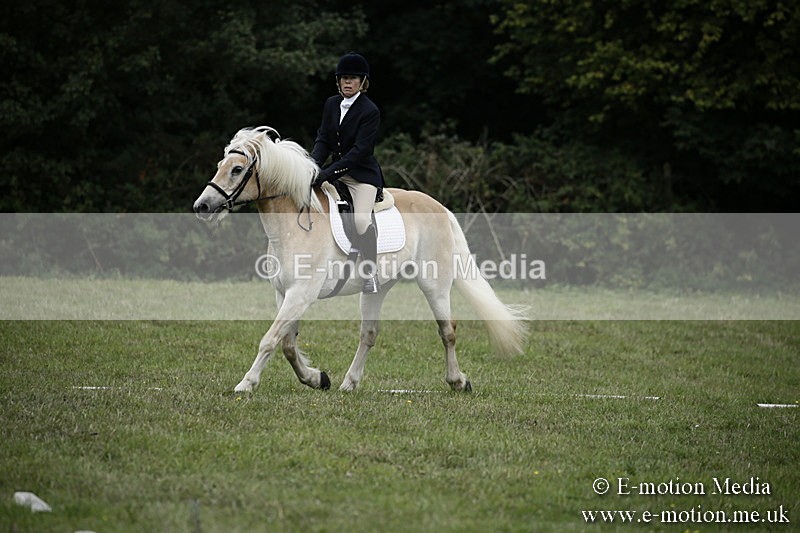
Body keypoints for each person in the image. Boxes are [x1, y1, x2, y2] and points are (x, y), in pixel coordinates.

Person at [311, 52, 384, 294]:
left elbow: (359, 152)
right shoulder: (331, 104)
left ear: (363, 81)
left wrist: (327, 174)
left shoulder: (370, 110)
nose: (347, 82)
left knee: (361, 220)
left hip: (361, 176)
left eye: (353, 78)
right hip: (335, 173)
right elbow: (323, 139)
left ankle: (370, 273)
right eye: (343, 78)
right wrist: (312, 166)